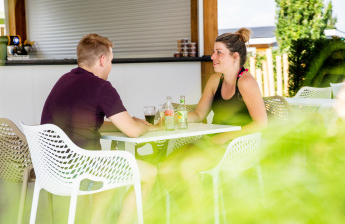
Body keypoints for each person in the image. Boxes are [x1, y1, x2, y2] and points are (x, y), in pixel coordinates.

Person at [41, 34, 160, 224]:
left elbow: (85, 123)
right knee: (150, 173)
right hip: (82, 171)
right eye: (111, 61)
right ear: (102, 60)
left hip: (51, 170)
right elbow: (134, 132)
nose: (111, 66)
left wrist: (124, 122)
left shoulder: (63, 80)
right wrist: (143, 127)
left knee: (110, 174)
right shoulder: (101, 87)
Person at [159, 28, 267, 223]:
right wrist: (176, 118)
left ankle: (202, 219)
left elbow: (261, 123)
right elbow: (199, 114)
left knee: (186, 167)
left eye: (219, 52)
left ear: (235, 57)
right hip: (213, 142)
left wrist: (224, 137)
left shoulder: (246, 82)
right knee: (165, 168)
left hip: (236, 145)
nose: (212, 57)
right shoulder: (215, 80)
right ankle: (192, 213)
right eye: (214, 51)